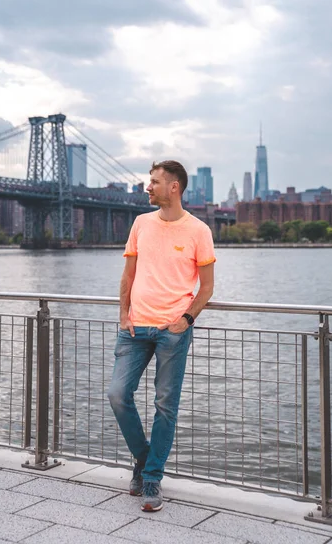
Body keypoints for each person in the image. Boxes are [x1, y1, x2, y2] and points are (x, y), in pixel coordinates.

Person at [108, 160, 215, 512]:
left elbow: (207, 286)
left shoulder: (198, 230)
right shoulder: (141, 223)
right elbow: (128, 275)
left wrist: (185, 320)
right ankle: (143, 460)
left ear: (175, 187)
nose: (147, 188)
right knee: (118, 395)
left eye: (153, 182)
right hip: (135, 328)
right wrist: (124, 315)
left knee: (164, 408)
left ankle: (151, 479)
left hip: (173, 331)